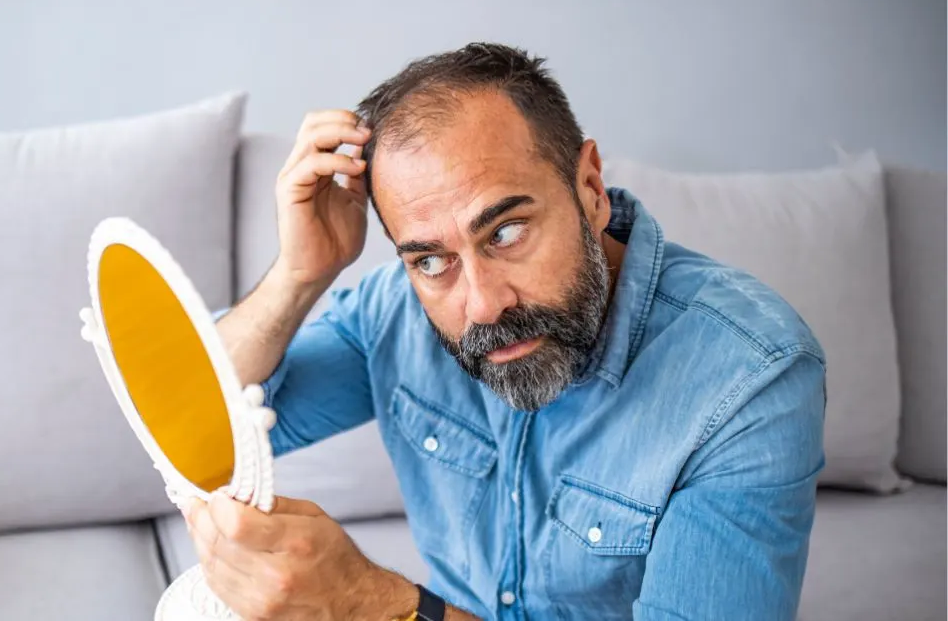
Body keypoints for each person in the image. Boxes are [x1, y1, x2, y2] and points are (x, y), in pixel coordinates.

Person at [182, 42, 825, 621]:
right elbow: (191, 420)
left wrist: (372, 605)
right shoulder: (394, 313)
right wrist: (299, 274)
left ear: (590, 187)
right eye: (431, 260)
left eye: (507, 232)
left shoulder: (749, 376)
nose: (482, 307)